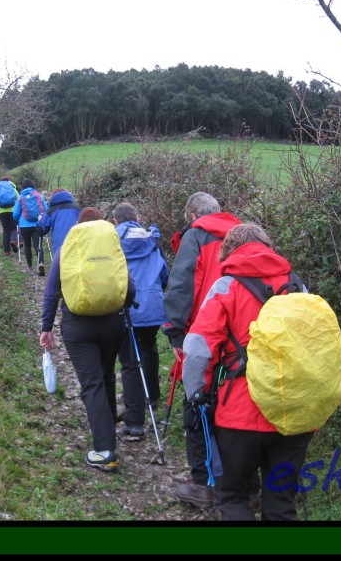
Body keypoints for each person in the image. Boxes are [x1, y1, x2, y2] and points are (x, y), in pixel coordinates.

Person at [182, 223, 314, 520]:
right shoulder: (297, 285)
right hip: (294, 413)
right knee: (281, 503)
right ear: (267, 246)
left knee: (232, 498)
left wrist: (197, 395)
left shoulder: (227, 287)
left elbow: (198, 350)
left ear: (229, 252)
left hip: (240, 414)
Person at [161, 192, 242, 509]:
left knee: (197, 405)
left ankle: (202, 485)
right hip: (242, 338)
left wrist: (177, 333)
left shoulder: (195, 236)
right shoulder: (242, 232)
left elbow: (181, 285)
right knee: (234, 408)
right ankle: (239, 485)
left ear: (193, 215)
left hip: (204, 334)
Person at [39, 207, 135, 473]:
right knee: (106, 376)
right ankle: (108, 433)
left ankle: (105, 450)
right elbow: (129, 284)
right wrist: (126, 304)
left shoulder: (69, 247)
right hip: (112, 322)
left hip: (78, 326)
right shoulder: (111, 246)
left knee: (91, 383)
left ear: (79, 227)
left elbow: (51, 292)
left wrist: (46, 327)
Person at [112, 202, 169, 441]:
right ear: (136, 218)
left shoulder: (111, 240)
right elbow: (164, 274)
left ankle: (135, 422)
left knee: (129, 362)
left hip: (126, 304)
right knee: (148, 348)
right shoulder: (150, 239)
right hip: (153, 304)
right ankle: (152, 397)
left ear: (116, 221)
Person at [12, 179, 48, 275]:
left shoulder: (21, 197)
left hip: (24, 225)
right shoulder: (39, 196)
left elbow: (15, 214)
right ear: (33, 186)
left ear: (24, 187)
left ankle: (30, 267)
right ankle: (41, 263)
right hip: (37, 224)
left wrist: (19, 218)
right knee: (38, 245)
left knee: (27, 246)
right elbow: (46, 210)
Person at [38, 187, 80, 253]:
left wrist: (40, 220)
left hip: (59, 245)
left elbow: (42, 229)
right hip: (76, 242)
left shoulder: (52, 209)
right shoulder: (76, 208)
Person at [0, 176, 19, 256]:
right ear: (9, 181)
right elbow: (19, 199)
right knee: (14, 228)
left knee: (6, 230)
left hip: (2, 212)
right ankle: (13, 241)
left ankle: (6, 251)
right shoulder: (12, 188)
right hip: (12, 211)